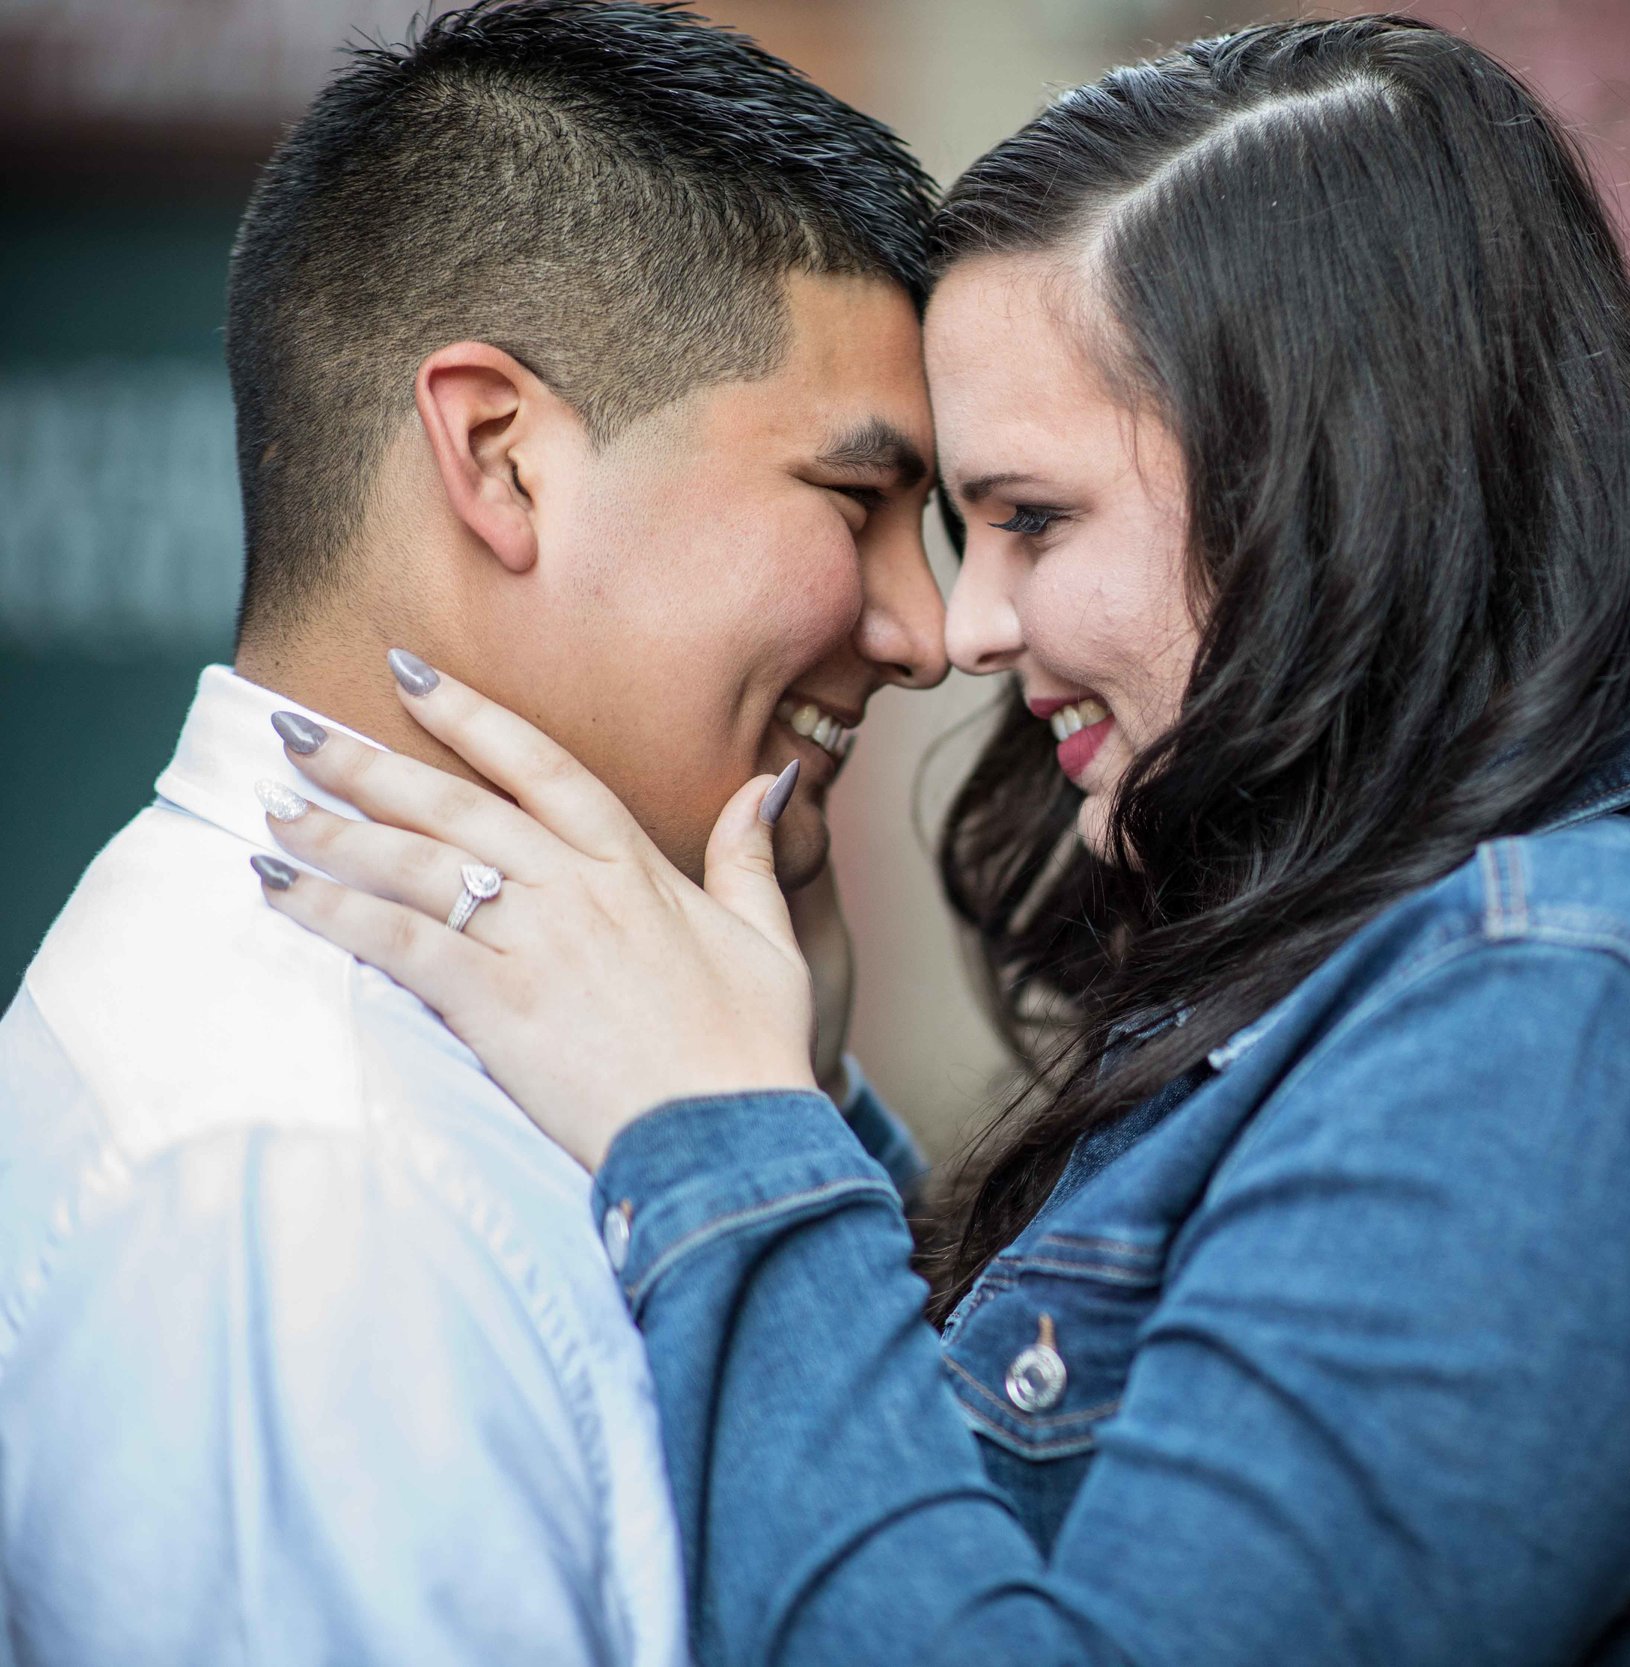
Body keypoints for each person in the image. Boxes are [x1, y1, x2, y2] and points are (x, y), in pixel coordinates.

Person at [255, 16, 1630, 1665]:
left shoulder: (1548, 1040)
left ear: (1323, 491)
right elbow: (1026, 1506)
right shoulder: (1418, 947)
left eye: (1029, 521)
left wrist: (725, 1143)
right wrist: (806, 1093)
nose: (965, 625)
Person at [0, 4, 945, 1661]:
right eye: (854, 504)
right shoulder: (303, 1176)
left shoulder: (461, 1067)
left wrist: (798, 1112)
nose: (925, 630)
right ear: (500, 454)